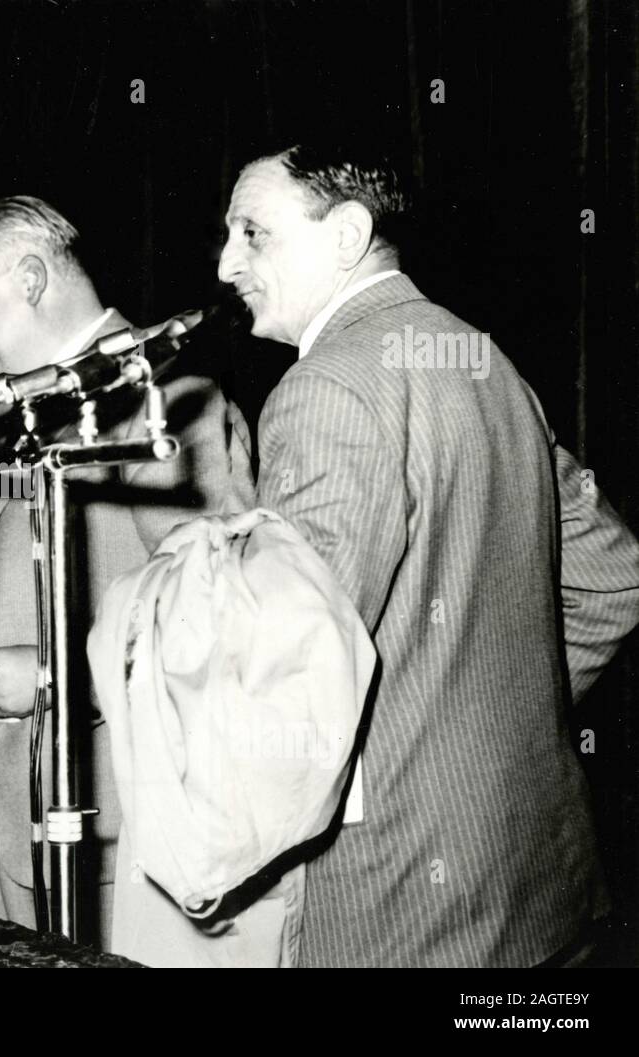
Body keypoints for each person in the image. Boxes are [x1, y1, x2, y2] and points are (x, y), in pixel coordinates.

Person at [216, 143, 639, 966]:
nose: (226, 262)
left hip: (404, 905)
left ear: (346, 236)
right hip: (535, 882)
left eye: (253, 233)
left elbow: (281, 667)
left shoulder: (325, 386)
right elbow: (616, 581)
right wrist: (478, 714)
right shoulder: (479, 356)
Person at [0, 196, 254, 946]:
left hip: (98, 840)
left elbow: (221, 629)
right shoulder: (32, 398)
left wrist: (47, 677)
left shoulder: (164, 400)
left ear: (30, 280)